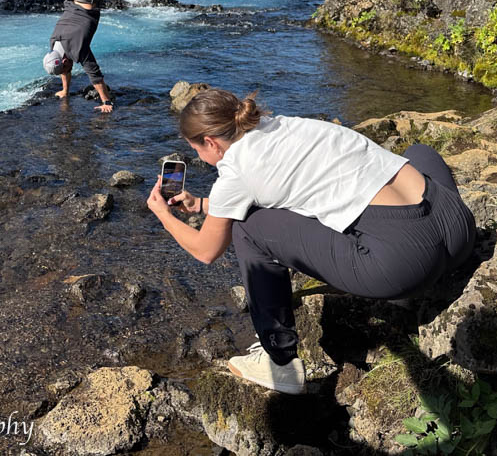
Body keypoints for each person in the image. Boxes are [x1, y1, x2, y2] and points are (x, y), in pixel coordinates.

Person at [146, 88, 476, 394]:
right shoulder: (284, 125)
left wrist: (164, 214)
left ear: (211, 143)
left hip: (403, 266)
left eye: (198, 151)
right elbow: (284, 190)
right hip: (458, 229)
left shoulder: (236, 171)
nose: (202, 158)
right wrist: (205, 205)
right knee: (419, 151)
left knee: (249, 227)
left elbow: (206, 251)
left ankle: (280, 362)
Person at [42, 0, 202, 113]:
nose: (67, 69)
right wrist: (65, 91)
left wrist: (106, 102)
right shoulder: (54, 44)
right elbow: (64, 69)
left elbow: (95, 76)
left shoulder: (76, 48)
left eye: (65, 66)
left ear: (63, 60)